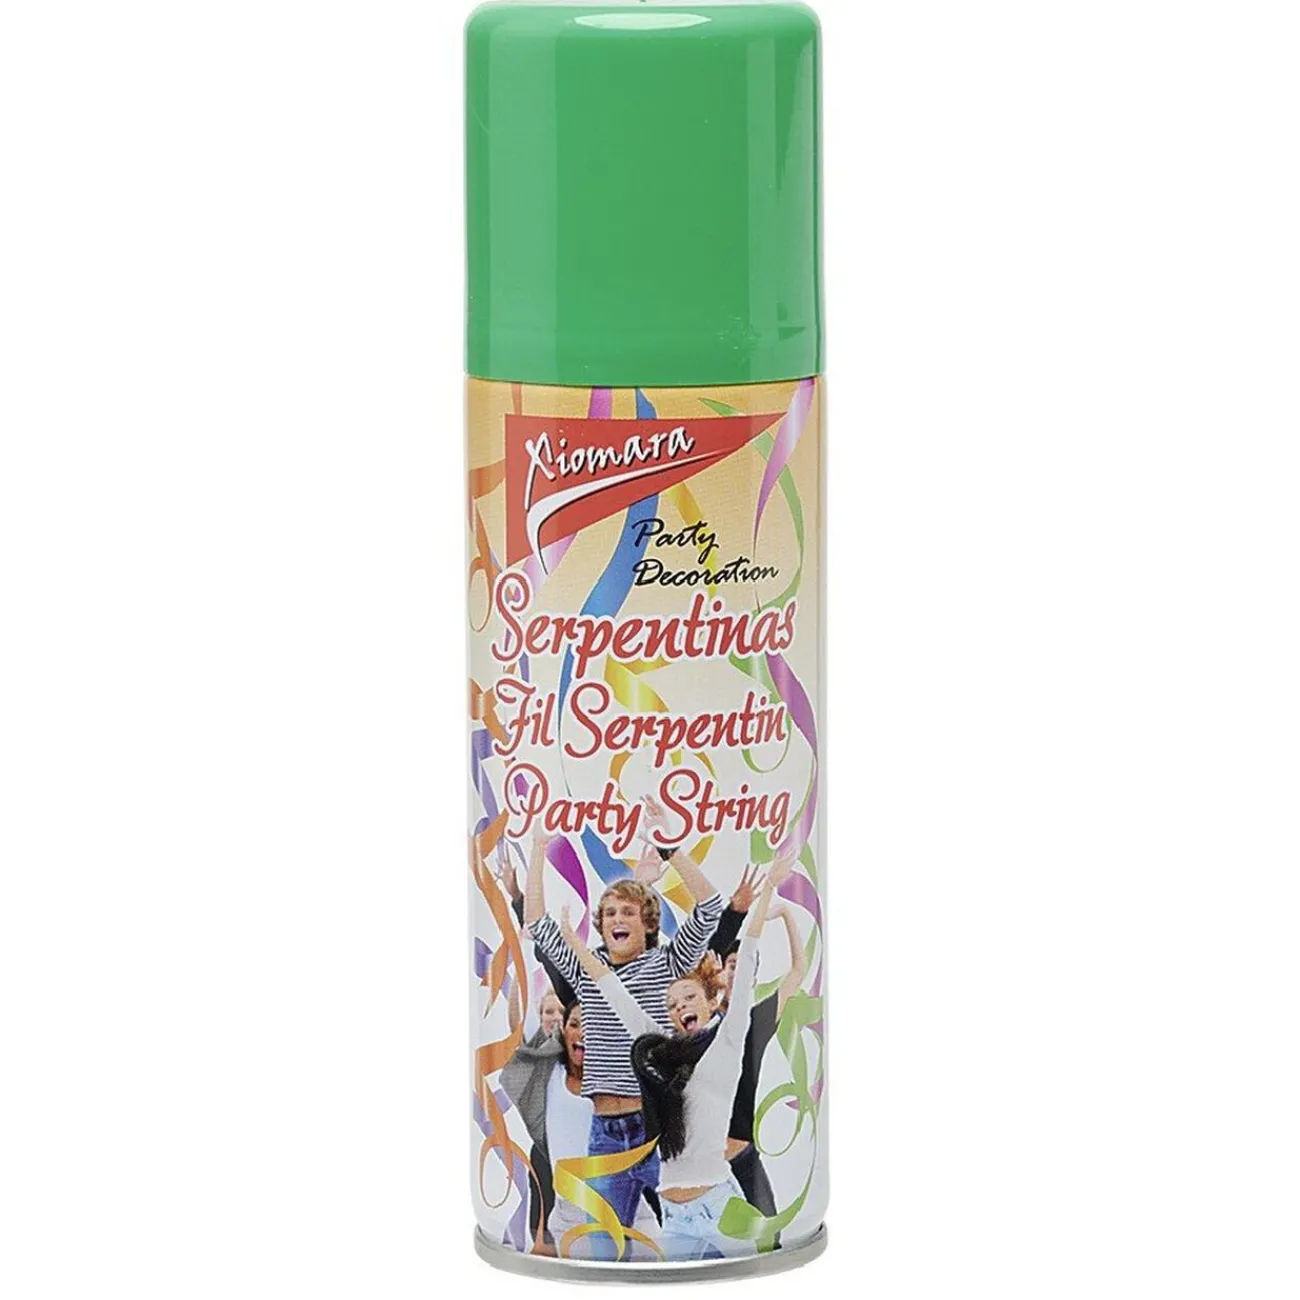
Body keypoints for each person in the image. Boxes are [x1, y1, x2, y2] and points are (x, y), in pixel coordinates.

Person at [558, 850, 795, 1261]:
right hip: (675, 1217)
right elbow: (614, 992)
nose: (679, 1006)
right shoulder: (661, 1054)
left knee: (751, 1276)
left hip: (721, 1207)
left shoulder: (728, 1043)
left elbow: (747, 959)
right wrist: (572, 939)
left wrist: (769, 890)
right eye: (671, 1004)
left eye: (688, 997)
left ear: (710, 1002)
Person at [525, 797, 724, 1259]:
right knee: (604, 1247)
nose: (618, 919)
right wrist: (537, 849)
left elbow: (710, 906)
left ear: (648, 924)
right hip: (605, 1131)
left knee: (687, 1237)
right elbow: (535, 921)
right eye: (610, 913)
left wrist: (670, 847)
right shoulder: (585, 969)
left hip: (659, 1129)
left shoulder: (668, 961)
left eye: (629, 912)